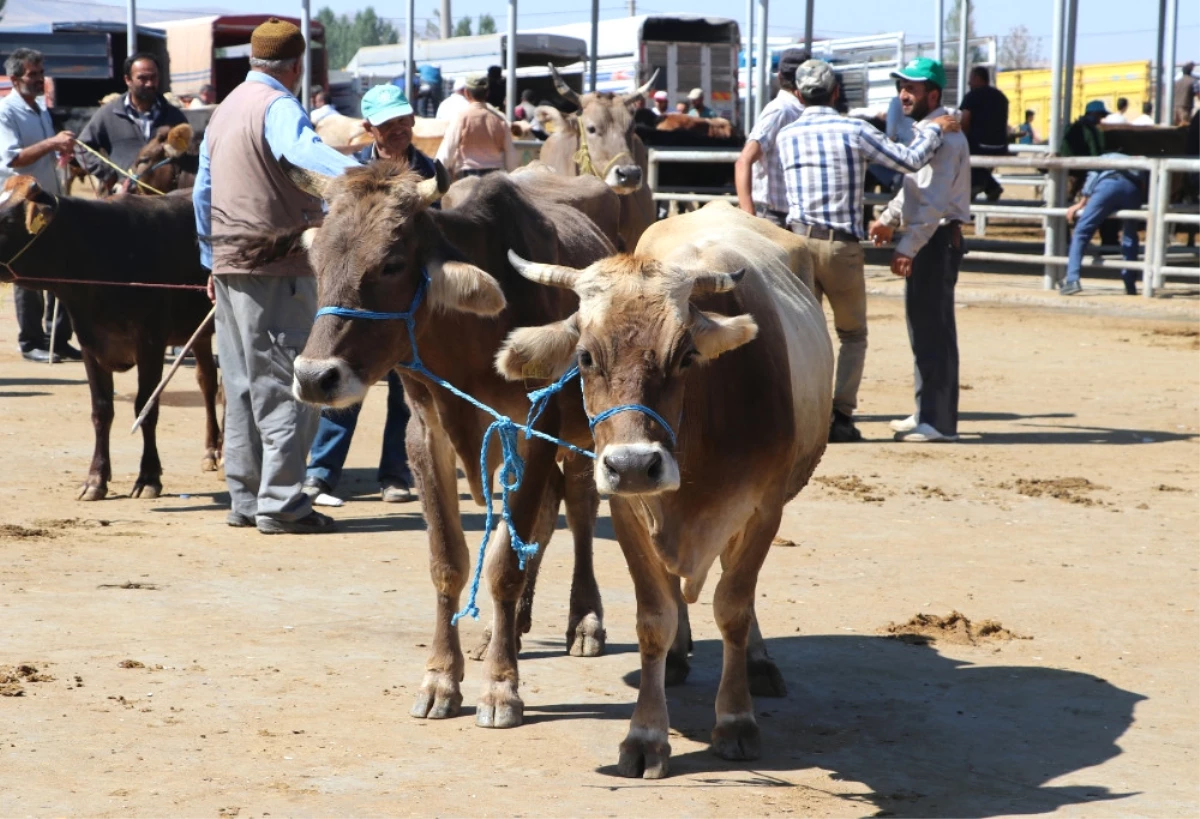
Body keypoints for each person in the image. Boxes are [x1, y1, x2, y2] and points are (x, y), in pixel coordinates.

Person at [194, 18, 359, 535]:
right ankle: (284, 504)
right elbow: (303, 153)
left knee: (240, 386)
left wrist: (208, 261)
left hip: (229, 267)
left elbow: (203, 192)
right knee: (286, 384)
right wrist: (369, 176)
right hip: (278, 267)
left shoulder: (224, 111)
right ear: (295, 66)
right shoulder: (279, 107)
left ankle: (246, 499)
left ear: (252, 60)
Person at [778, 59, 959, 443]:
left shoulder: (786, 135)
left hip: (796, 244)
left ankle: (803, 415)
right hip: (839, 245)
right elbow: (908, 162)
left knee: (805, 333)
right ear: (837, 92)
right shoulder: (854, 128)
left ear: (798, 94)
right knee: (852, 335)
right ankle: (840, 416)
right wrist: (935, 132)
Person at [302, 84, 430, 506]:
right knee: (341, 383)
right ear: (369, 128)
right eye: (388, 123)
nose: (399, 129)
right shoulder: (350, 177)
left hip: (406, 303)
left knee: (404, 392)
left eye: (404, 119)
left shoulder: (430, 175)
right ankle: (321, 473)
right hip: (356, 301)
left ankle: (395, 475)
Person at [868, 58, 970, 444]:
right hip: (933, 237)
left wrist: (907, 245)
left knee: (933, 329)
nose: (904, 94)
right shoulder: (928, 134)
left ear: (933, 94)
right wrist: (889, 219)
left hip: (936, 239)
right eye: (902, 87)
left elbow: (932, 202)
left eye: (912, 88)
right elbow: (913, 189)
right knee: (925, 327)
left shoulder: (943, 137)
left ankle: (939, 422)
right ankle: (927, 412)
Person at [0, 47, 80, 363]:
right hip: (21, 204)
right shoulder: (6, 112)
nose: (38, 79)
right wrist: (52, 142)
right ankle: (31, 340)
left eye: (40, 73)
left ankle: (58, 339)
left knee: (60, 265)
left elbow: (43, 153)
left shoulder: (41, 109)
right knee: (27, 271)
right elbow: (14, 158)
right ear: (15, 77)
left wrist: (61, 152)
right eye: (33, 74)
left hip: (51, 201)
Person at [77, 53, 187, 192]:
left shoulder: (174, 116)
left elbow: (187, 156)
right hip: (122, 201)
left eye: (154, 77)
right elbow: (81, 146)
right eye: (142, 78)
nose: (150, 83)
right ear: (128, 80)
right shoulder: (108, 114)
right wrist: (109, 175)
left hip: (163, 203)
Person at [734, 48, 808, 228]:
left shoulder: (797, 111)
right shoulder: (780, 110)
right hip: (772, 216)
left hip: (786, 215)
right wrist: (749, 215)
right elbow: (744, 160)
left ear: (780, 76)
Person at [1059, 153, 1148, 297]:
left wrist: (1082, 203)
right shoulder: (1135, 160)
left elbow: (1092, 177)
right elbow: (1144, 182)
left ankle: (1072, 279)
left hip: (1108, 186)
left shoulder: (1105, 157)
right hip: (1132, 189)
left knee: (1082, 232)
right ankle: (1130, 283)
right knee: (1130, 233)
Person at [435, 74, 516, 179]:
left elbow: (446, 151)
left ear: (466, 93)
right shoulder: (500, 120)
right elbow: (511, 155)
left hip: (468, 177)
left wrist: (436, 175)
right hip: (496, 178)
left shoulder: (461, 118)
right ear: (487, 93)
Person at [959, 66, 1008, 201]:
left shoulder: (972, 96)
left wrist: (962, 137)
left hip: (979, 146)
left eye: (971, 79)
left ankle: (979, 188)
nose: (969, 83)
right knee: (978, 167)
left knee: (958, 156)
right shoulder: (1001, 97)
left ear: (977, 78)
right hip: (1001, 147)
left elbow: (964, 121)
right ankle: (990, 186)